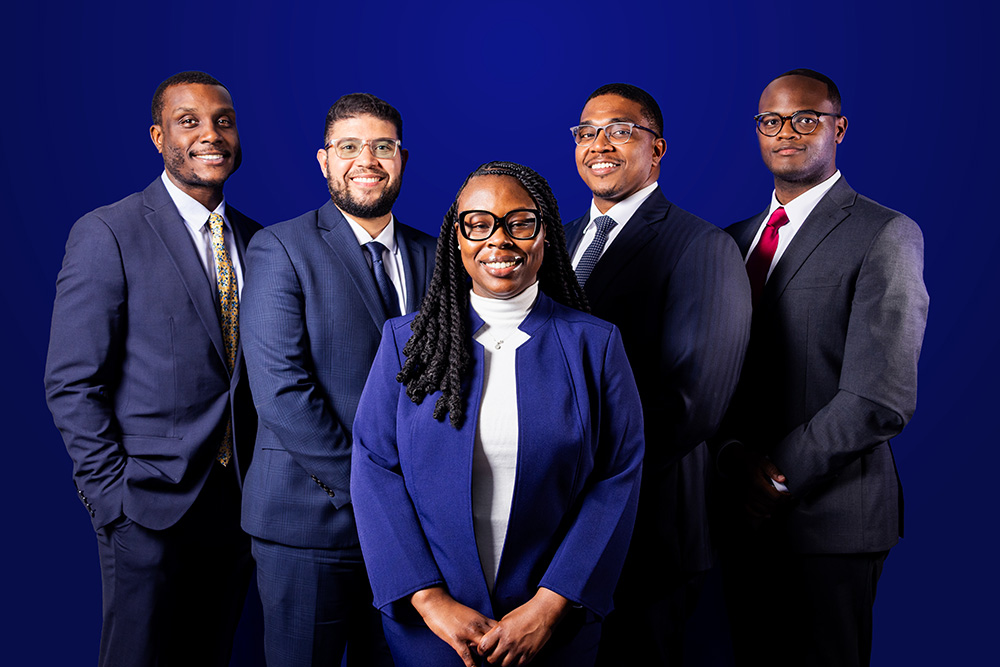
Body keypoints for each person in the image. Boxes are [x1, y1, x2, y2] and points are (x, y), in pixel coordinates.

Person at [351, 161, 644, 667]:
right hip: (432, 626)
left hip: (554, 625)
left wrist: (551, 605)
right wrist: (430, 600)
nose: (499, 239)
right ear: (457, 239)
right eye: (479, 224)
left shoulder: (595, 345)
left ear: (545, 235)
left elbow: (617, 478)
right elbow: (375, 469)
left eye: (520, 223)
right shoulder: (405, 343)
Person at [712, 69, 929, 667]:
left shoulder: (884, 232)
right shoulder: (732, 241)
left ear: (839, 128)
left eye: (806, 119)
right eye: (771, 121)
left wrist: (774, 478)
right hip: (735, 513)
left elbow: (880, 396)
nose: (787, 132)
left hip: (831, 522)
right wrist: (732, 458)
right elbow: (717, 374)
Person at [43, 71, 260, 666]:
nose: (210, 134)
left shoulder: (258, 241)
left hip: (240, 508)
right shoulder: (108, 232)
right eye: (189, 122)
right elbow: (71, 381)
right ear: (159, 137)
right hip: (145, 506)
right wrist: (112, 500)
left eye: (223, 121)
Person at [239, 92, 436, 666]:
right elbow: (281, 389)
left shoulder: (435, 254)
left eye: (382, 147)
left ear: (402, 159)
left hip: (411, 534)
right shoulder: (280, 247)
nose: (366, 161)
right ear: (324, 160)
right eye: (349, 147)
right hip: (309, 522)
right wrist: (373, 492)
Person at [564, 83, 752, 665]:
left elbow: (693, 404)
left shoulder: (701, 246)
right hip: (558, 532)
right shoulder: (557, 241)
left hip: (650, 528)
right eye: (587, 132)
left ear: (658, 148)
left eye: (620, 131)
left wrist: (583, 474)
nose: (600, 144)